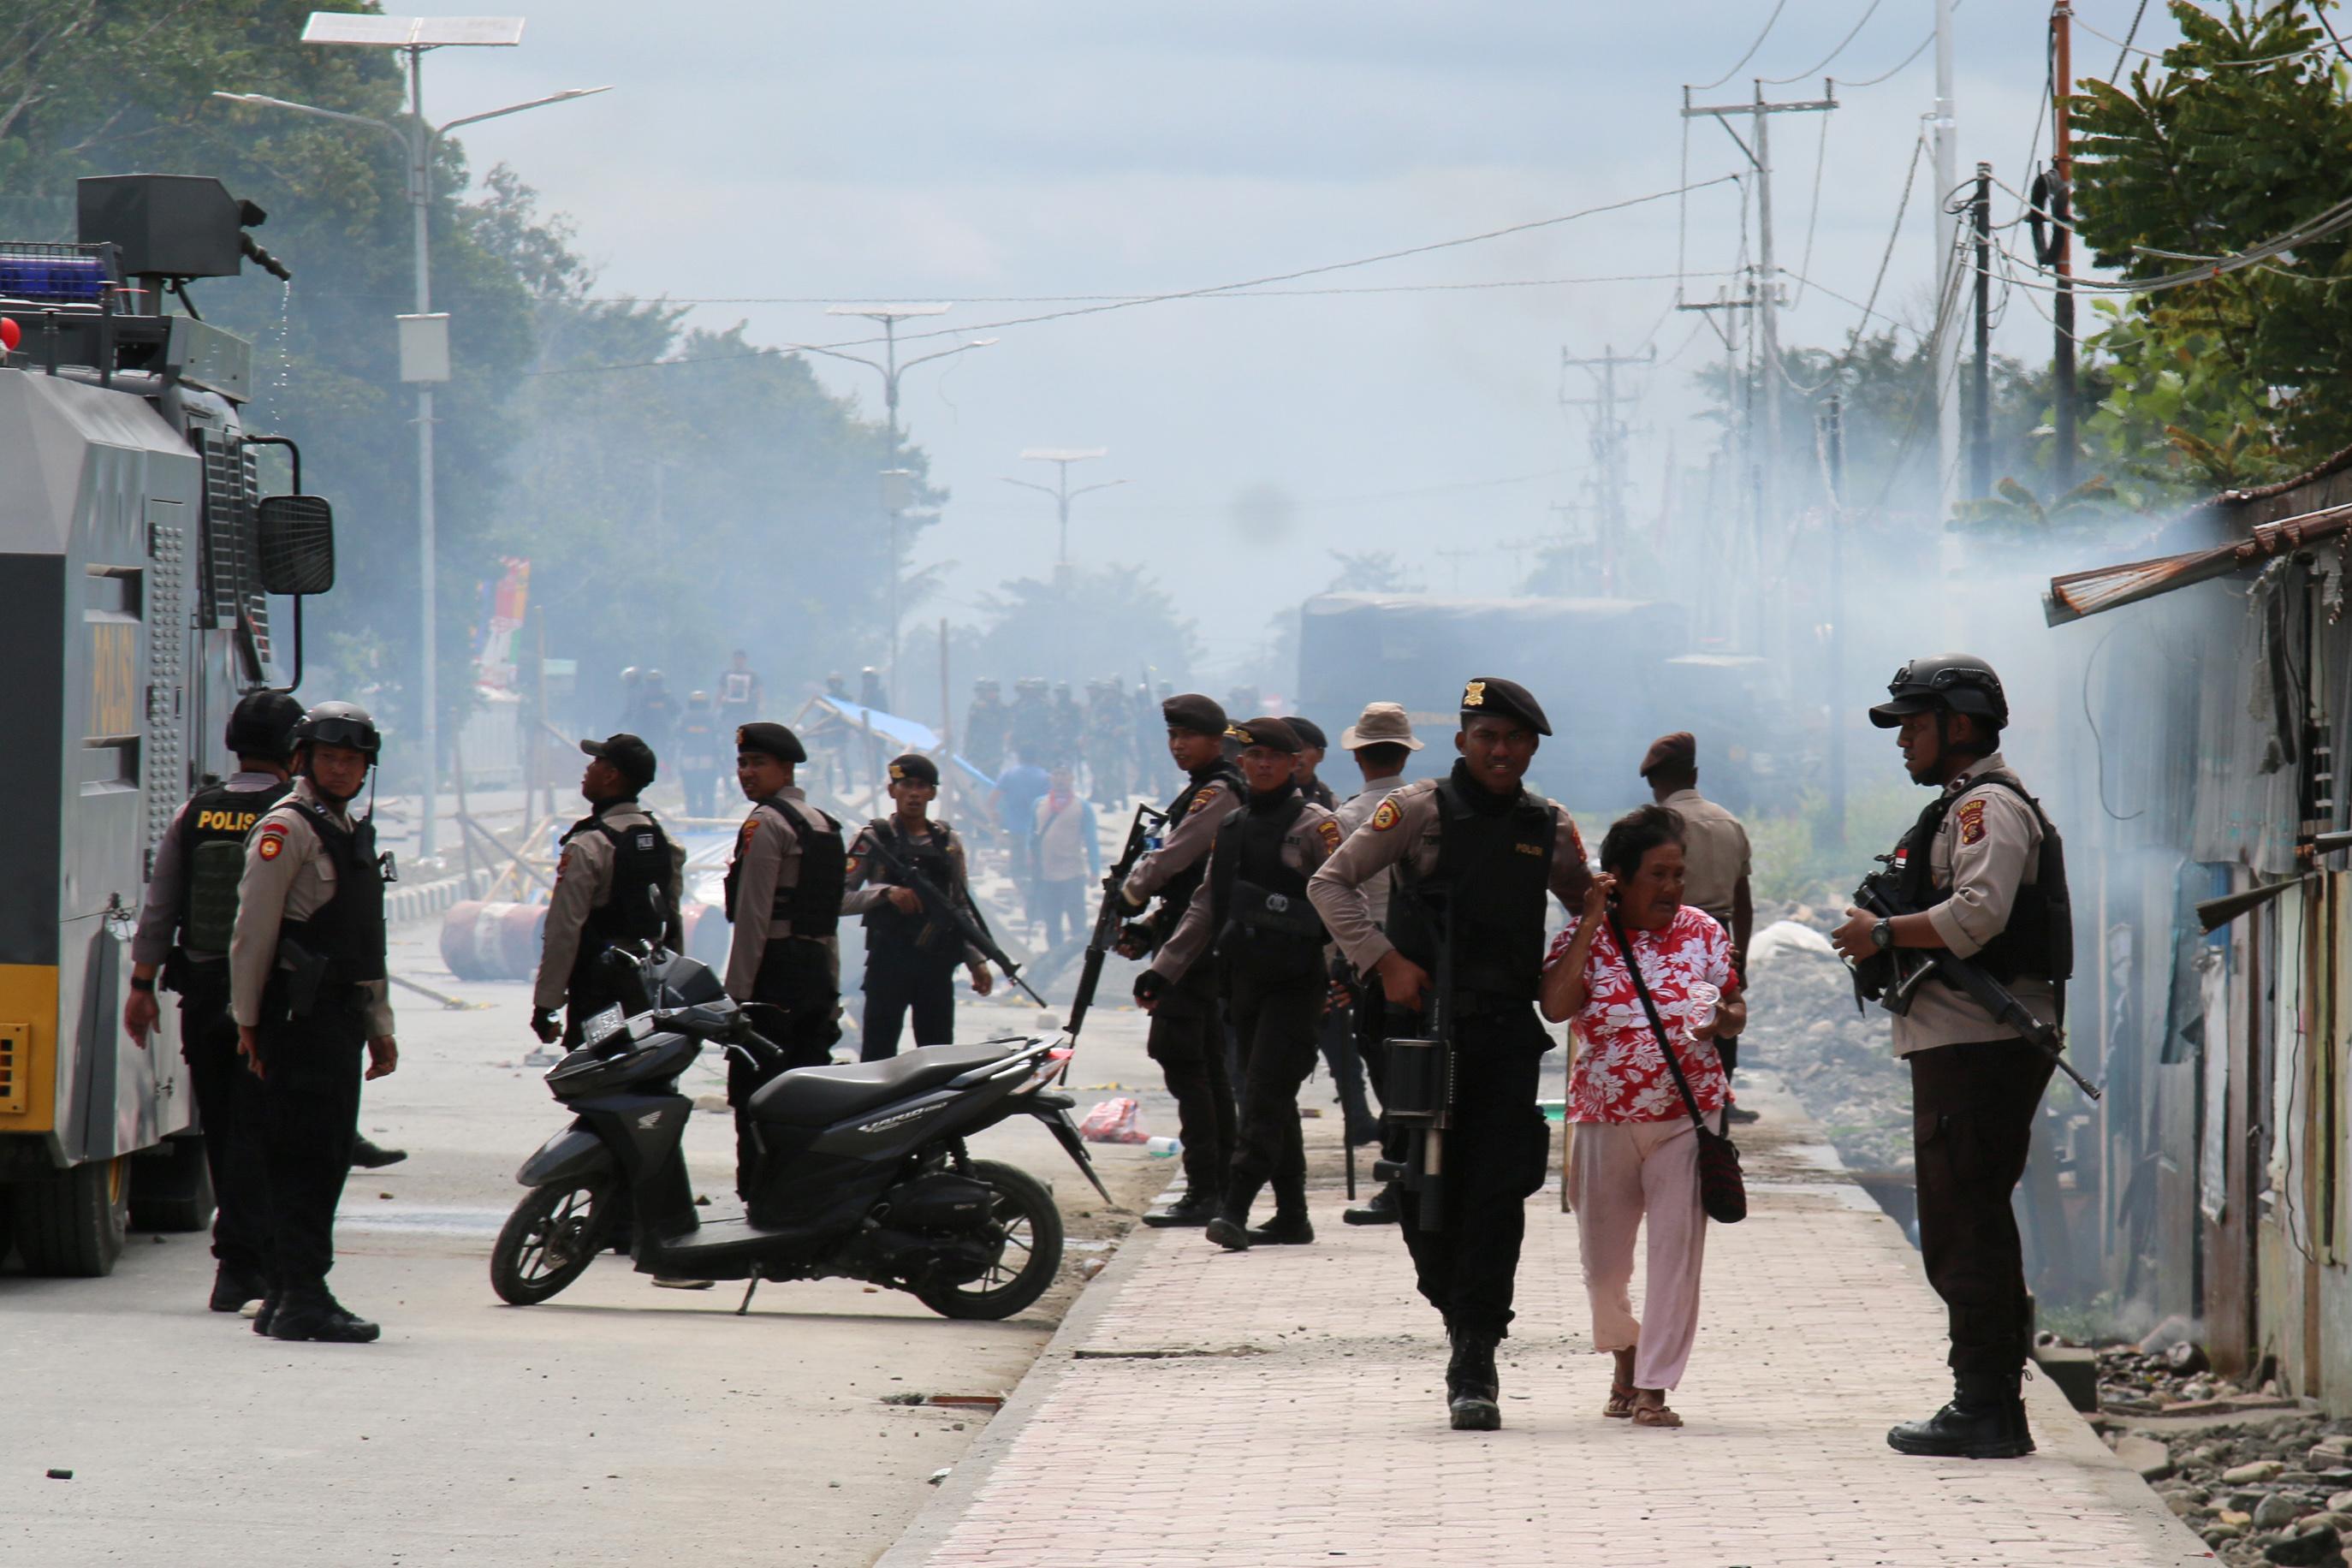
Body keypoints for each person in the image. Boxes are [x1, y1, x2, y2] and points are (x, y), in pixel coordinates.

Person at [1308, 676, 1592, 1431]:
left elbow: (1586, 901)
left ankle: (1476, 1348)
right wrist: (1382, 960)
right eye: (1487, 737)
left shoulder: (1549, 825)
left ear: (1531, 748)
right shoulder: (1421, 810)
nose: (1501, 752)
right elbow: (1331, 884)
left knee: (1498, 1189)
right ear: (1463, 741)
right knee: (1419, 1186)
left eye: (1516, 740)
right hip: (1416, 1031)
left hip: (1502, 1032)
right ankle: (1455, 1304)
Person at [1828, 655, 2064, 1461]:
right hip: (1961, 1039)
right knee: (1969, 1218)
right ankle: (1989, 1400)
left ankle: (1985, 1406)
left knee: (1966, 1224)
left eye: (1915, 726)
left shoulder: (1985, 807)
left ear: (1960, 725)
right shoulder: (1964, 806)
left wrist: (1884, 934)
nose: (1903, 743)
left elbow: (1978, 914)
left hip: (1980, 1040)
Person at [1541, 804, 1745, 1430]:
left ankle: (1655, 1387)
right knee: (1604, 1267)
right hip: (1603, 1116)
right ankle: (1625, 1357)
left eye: (1678, 874)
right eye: (1657, 874)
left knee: (1676, 1255)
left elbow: (1734, 1007)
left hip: (1688, 1113)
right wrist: (1590, 922)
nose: (1671, 887)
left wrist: (1721, 1021)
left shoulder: (1704, 932)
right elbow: (1556, 1006)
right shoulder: (1584, 935)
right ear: (1618, 877)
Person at [125, 690, 304, 1314]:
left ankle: (236, 1267)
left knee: (226, 1130)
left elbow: (160, 906)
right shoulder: (294, 817)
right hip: (273, 1007)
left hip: (201, 1001)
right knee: (272, 1132)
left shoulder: (195, 812)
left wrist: (141, 987)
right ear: (294, 750)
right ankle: (261, 1264)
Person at [227, 701, 398, 1344]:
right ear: (304, 759)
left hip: (339, 1021)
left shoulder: (349, 830)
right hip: (298, 1020)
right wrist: (247, 1019)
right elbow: (253, 932)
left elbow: (365, 942)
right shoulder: (287, 828)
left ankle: (288, 1295)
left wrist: (379, 1024)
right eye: (330, 756)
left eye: (352, 759)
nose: (342, 767)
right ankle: (301, 1294)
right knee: (305, 1156)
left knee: (323, 1156)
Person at [1136, 718, 1340, 1250]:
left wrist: (1352, 971)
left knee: (1265, 1093)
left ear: (1295, 763)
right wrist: (1164, 969)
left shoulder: (1316, 826)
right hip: (1244, 981)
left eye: (1275, 756)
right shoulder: (1233, 826)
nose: (1264, 765)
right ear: (1243, 761)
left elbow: (1348, 903)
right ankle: (1292, 1214)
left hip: (1298, 985)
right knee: (1269, 1096)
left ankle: (1235, 1206)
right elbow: (1206, 905)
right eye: (1255, 756)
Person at [1112, 692, 1244, 1228]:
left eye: (1187, 736)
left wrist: (1130, 893)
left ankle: (1206, 1188)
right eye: (1172, 736)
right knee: (1205, 1065)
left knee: (1185, 1060)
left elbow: (1176, 857)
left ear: (1217, 739)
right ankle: (1215, 1184)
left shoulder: (1216, 791)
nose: (1178, 745)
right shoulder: (1203, 789)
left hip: (1198, 947)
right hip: (1187, 936)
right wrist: (1146, 928)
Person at [722, 722, 848, 1190]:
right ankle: (805, 1193)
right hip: (815, 976)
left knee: (757, 1092)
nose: (747, 773)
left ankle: (760, 1191)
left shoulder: (766, 823)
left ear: (786, 768)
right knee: (808, 1088)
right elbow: (824, 921)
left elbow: (754, 918)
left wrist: (734, 1000)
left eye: (757, 763)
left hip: (772, 976)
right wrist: (830, 988)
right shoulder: (825, 825)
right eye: (742, 763)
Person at [530, 734, 686, 1049]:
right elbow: (672, 920)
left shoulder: (588, 845)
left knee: (595, 1079)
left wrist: (546, 1003)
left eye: (598, 761)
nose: (588, 769)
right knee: (646, 1073)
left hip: (598, 991)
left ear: (612, 775)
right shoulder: (664, 842)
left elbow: (564, 929)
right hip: (648, 988)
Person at [1328, 701, 1422, 1226]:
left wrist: (1339, 966)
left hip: (1371, 956)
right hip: (1421, 952)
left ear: (1360, 756)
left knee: (1386, 1068)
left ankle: (1398, 1178)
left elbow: (1336, 896)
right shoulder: (1426, 806)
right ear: (1404, 754)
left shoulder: (1348, 817)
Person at [844, 753, 997, 1060]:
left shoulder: (948, 842)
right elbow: (838, 897)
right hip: (888, 962)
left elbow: (959, 905)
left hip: (936, 964)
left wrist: (976, 960)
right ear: (892, 790)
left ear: (932, 793)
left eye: (922, 786)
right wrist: (885, 893)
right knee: (877, 1053)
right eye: (906, 785)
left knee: (937, 1054)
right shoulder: (872, 839)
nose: (914, 793)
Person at [1639, 731, 1756, 1123]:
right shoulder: (1730, 824)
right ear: (1695, 773)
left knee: (1669, 1025)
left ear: (1656, 782)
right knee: (1720, 1017)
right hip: (1720, 935)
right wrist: (1742, 955)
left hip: (1667, 934)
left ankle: (1671, 1105)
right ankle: (1719, 1108)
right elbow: (1744, 900)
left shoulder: (1659, 827)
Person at [1032, 763, 1100, 947]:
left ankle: (1077, 961)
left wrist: (1095, 869)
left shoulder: (1082, 807)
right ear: (1051, 778)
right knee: (1052, 923)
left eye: (1064, 775)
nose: (1060, 779)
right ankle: (1055, 960)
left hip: (1073, 873)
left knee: (1077, 922)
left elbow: (1091, 840)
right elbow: (1032, 836)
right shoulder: (1039, 804)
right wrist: (1031, 861)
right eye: (1057, 774)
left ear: (1071, 779)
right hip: (1047, 874)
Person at [990, 751, 1052, 918]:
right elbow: (1051, 802)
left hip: (1015, 829)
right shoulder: (1045, 777)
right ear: (1037, 758)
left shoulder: (1009, 775)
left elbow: (993, 799)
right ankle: (1034, 904)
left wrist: (995, 815)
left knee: (1017, 869)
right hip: (1039, 832)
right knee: (1037, 869)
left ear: (1019, 757)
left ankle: (1026, 895)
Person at [675, 692, 724, 818]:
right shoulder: (712, 717)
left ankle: (692, 823)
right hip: (708, 759)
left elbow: (678, 735)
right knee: (708, 794)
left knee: (691, 794)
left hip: (688, 759)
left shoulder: (684, 717)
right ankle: (708, 823)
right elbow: (719, 737)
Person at [1283, 716, 1338, 810]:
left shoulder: (1329, 802)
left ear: (1320, 754)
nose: (1298, 754)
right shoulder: (1260, 796)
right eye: (1290, 747)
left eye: (1304, 747)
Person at [965, 678, 1009, 777]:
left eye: (993, 691)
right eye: (988, 691)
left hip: (994, 749)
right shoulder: (977, 706)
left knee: (991, 775)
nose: (991, 694)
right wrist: (968, 748)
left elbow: (1005, 729)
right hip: (977, 749)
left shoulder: (1002, 708)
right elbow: (971, 729)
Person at [715, 650, 762, 729]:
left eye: (740, 659)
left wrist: (761, 704)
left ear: (745, 660)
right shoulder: (726, 674)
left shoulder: (752, 675)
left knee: (747, 730)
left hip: (747, 709)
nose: (738, 661)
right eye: (736, 659)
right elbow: (721, 691)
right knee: (729, 730)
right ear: (733, 659)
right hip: (729, 710)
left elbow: (759, 690)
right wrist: (716, 706)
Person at [635, 669, 678, 754]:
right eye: (653, 684)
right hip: (653, 729)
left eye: (656, 683)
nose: (654, 687)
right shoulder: (665, 696)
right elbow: (676, 710)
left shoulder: (665, 697)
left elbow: (676, 710)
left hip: (658, 729)